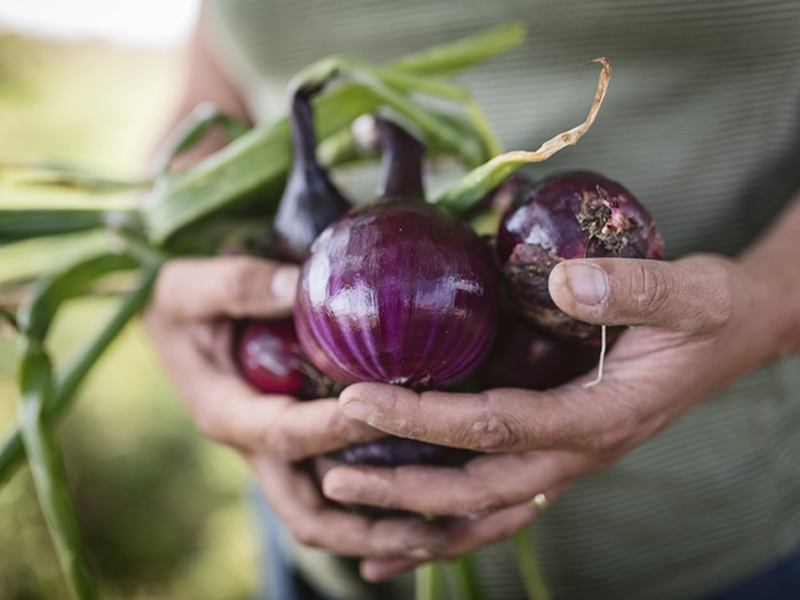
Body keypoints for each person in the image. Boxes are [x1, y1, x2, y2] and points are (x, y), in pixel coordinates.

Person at [144, 1, 800, 598]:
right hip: (317, 558)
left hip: (707, 548)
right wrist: (171, 268)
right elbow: (213, 93)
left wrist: (768, 305)